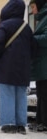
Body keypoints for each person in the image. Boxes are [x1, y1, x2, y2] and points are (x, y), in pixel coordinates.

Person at [0, 0, 35, 134]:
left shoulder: (5, 25)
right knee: (21, 95)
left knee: (7, 93)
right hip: (23, 68)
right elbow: (33, 47)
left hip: (6, 67)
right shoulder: (26, 27)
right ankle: (21, 123)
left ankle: (9, 122)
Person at [29, 0, 47, 132]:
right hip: (41, 63)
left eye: (33, 7)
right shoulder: (42, 19)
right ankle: (40, 121)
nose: (32, 10)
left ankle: (44, 122)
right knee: (41, 94)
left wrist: (32, 39)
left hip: (45, 62)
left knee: (45, 94)